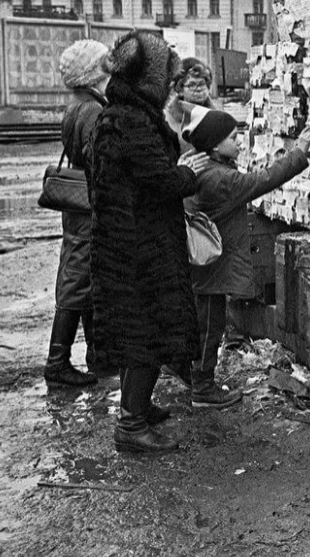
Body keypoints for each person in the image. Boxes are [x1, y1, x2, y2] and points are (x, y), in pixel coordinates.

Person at [88, 31, 210, 455]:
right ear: (151, 80)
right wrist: (188, 173)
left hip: (126, 244)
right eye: (167, 79)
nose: (171, 87)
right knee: (146, 335)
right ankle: (131, 425)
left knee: (137, 333)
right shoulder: (131, 121)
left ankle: (137, 405)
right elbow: (158, 182)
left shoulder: (119, 114)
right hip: (140, 251)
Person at [173, 109, 310, 409]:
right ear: (214, 145)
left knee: (202, 323)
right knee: (211, 327)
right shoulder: (221, 179)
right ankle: (203, 388)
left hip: (200, 267)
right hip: (210, 269)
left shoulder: (203, 168)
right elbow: (262, 181)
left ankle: (193, 374)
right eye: (233, 138)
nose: (239, 143)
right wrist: (299, 152)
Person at [45, 40, 110, 387]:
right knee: (78, 279)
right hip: (88, 206)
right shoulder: (93, 111)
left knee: (83, 276)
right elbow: (97, 162)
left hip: (75, 206)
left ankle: (93, 355)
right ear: (94, 73)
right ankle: (58, 363)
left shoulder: (76, 106)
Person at [164, 58, 222, 140]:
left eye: (202, 84)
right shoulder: (168, 119)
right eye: (192, 85)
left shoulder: (218, 116)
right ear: (180, 90)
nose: (198, 89)